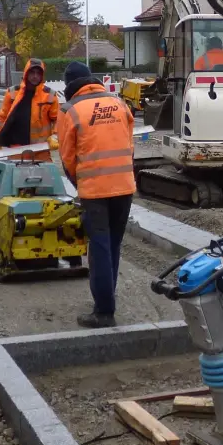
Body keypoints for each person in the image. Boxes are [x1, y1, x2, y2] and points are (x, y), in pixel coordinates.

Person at [56, 61, 136, 328]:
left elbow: (67, 157)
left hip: (95, 190)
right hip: (124, 186)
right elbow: (130, 145)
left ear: (69, 86)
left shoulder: (70, 110)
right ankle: (106, 300)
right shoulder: (120, 104)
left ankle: (103, 311)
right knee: (113, 245)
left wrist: (79, 183)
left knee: (99, 248)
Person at [0, 57, 58, 161]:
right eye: (32, 72)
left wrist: (55, 136)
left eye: (38, 73)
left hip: (40, 150)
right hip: (16, 149)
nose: (35, 76)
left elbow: (57, 119)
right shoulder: (12, 93)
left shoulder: (49, 95)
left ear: (42, 75)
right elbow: (2, 118)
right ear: (26, 73)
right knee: (17, 176)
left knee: (44, 177)